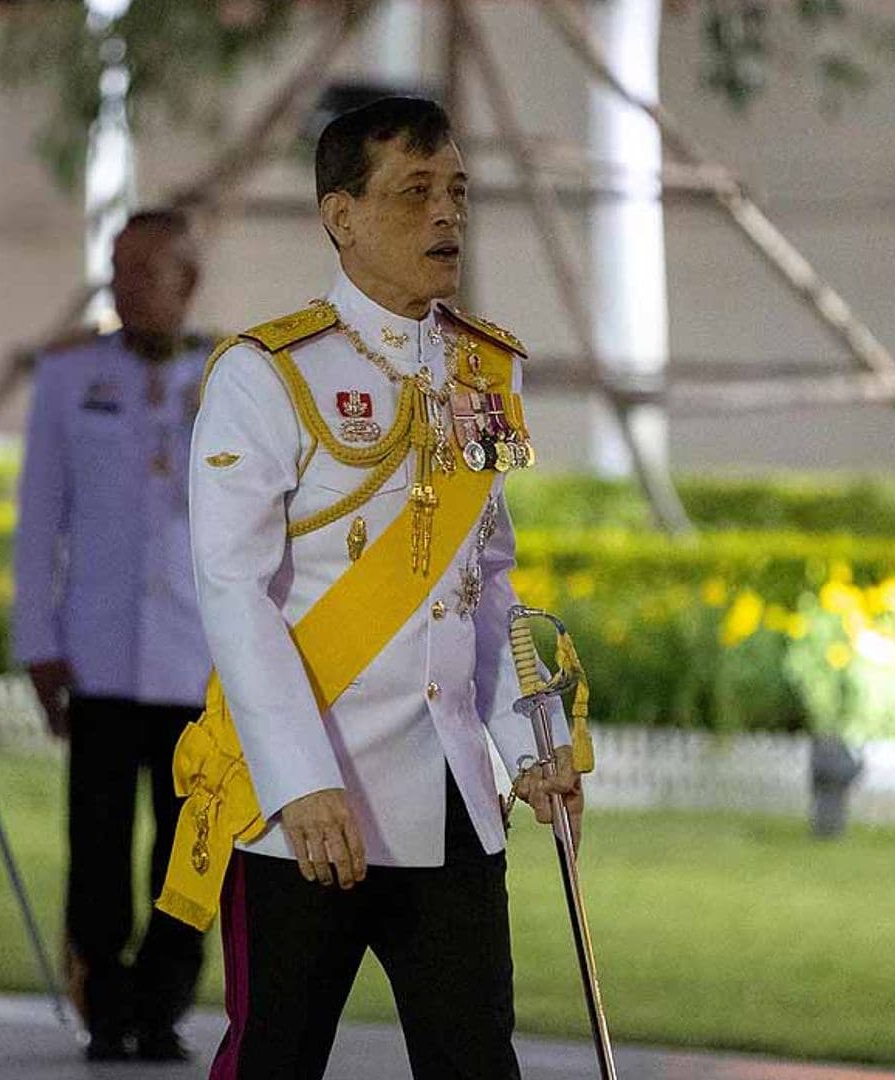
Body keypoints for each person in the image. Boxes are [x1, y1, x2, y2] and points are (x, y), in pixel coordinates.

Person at [162, 97, 586, 1080]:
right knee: (277, 1059)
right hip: (307, 807)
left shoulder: (482, 368)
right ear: (341, 216)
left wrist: (531, 742)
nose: (447, 216)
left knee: (477, 1063)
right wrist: (299, 781)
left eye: (457, 193)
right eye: (414, 193)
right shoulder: (267, 374)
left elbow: (484, 576)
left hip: (449, 799)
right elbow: (231, 586)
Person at [13, 208, 213, 1062]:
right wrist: (37, 642)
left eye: (147, 272)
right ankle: (104, 1001)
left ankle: (165, 1003)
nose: (128, 288)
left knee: (189, 845)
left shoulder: (232, 377)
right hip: (97, 651)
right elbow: (38, 519)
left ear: (188, 283)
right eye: (120, 269)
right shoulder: (69, 378)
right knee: (96, 845)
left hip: (197, 657)